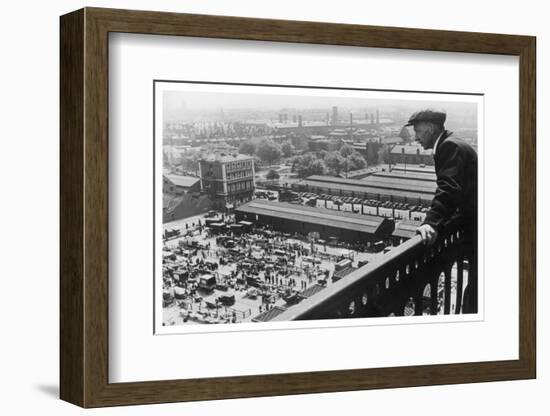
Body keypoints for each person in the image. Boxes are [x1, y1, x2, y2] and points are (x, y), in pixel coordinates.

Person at [405, 109, 478, 313]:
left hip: (479, 227)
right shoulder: (452, 143)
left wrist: (431, 222)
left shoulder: (449, 146)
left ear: (430, 129)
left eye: (418, 131)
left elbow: (449, 188)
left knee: (477, 294)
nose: (416, 137)